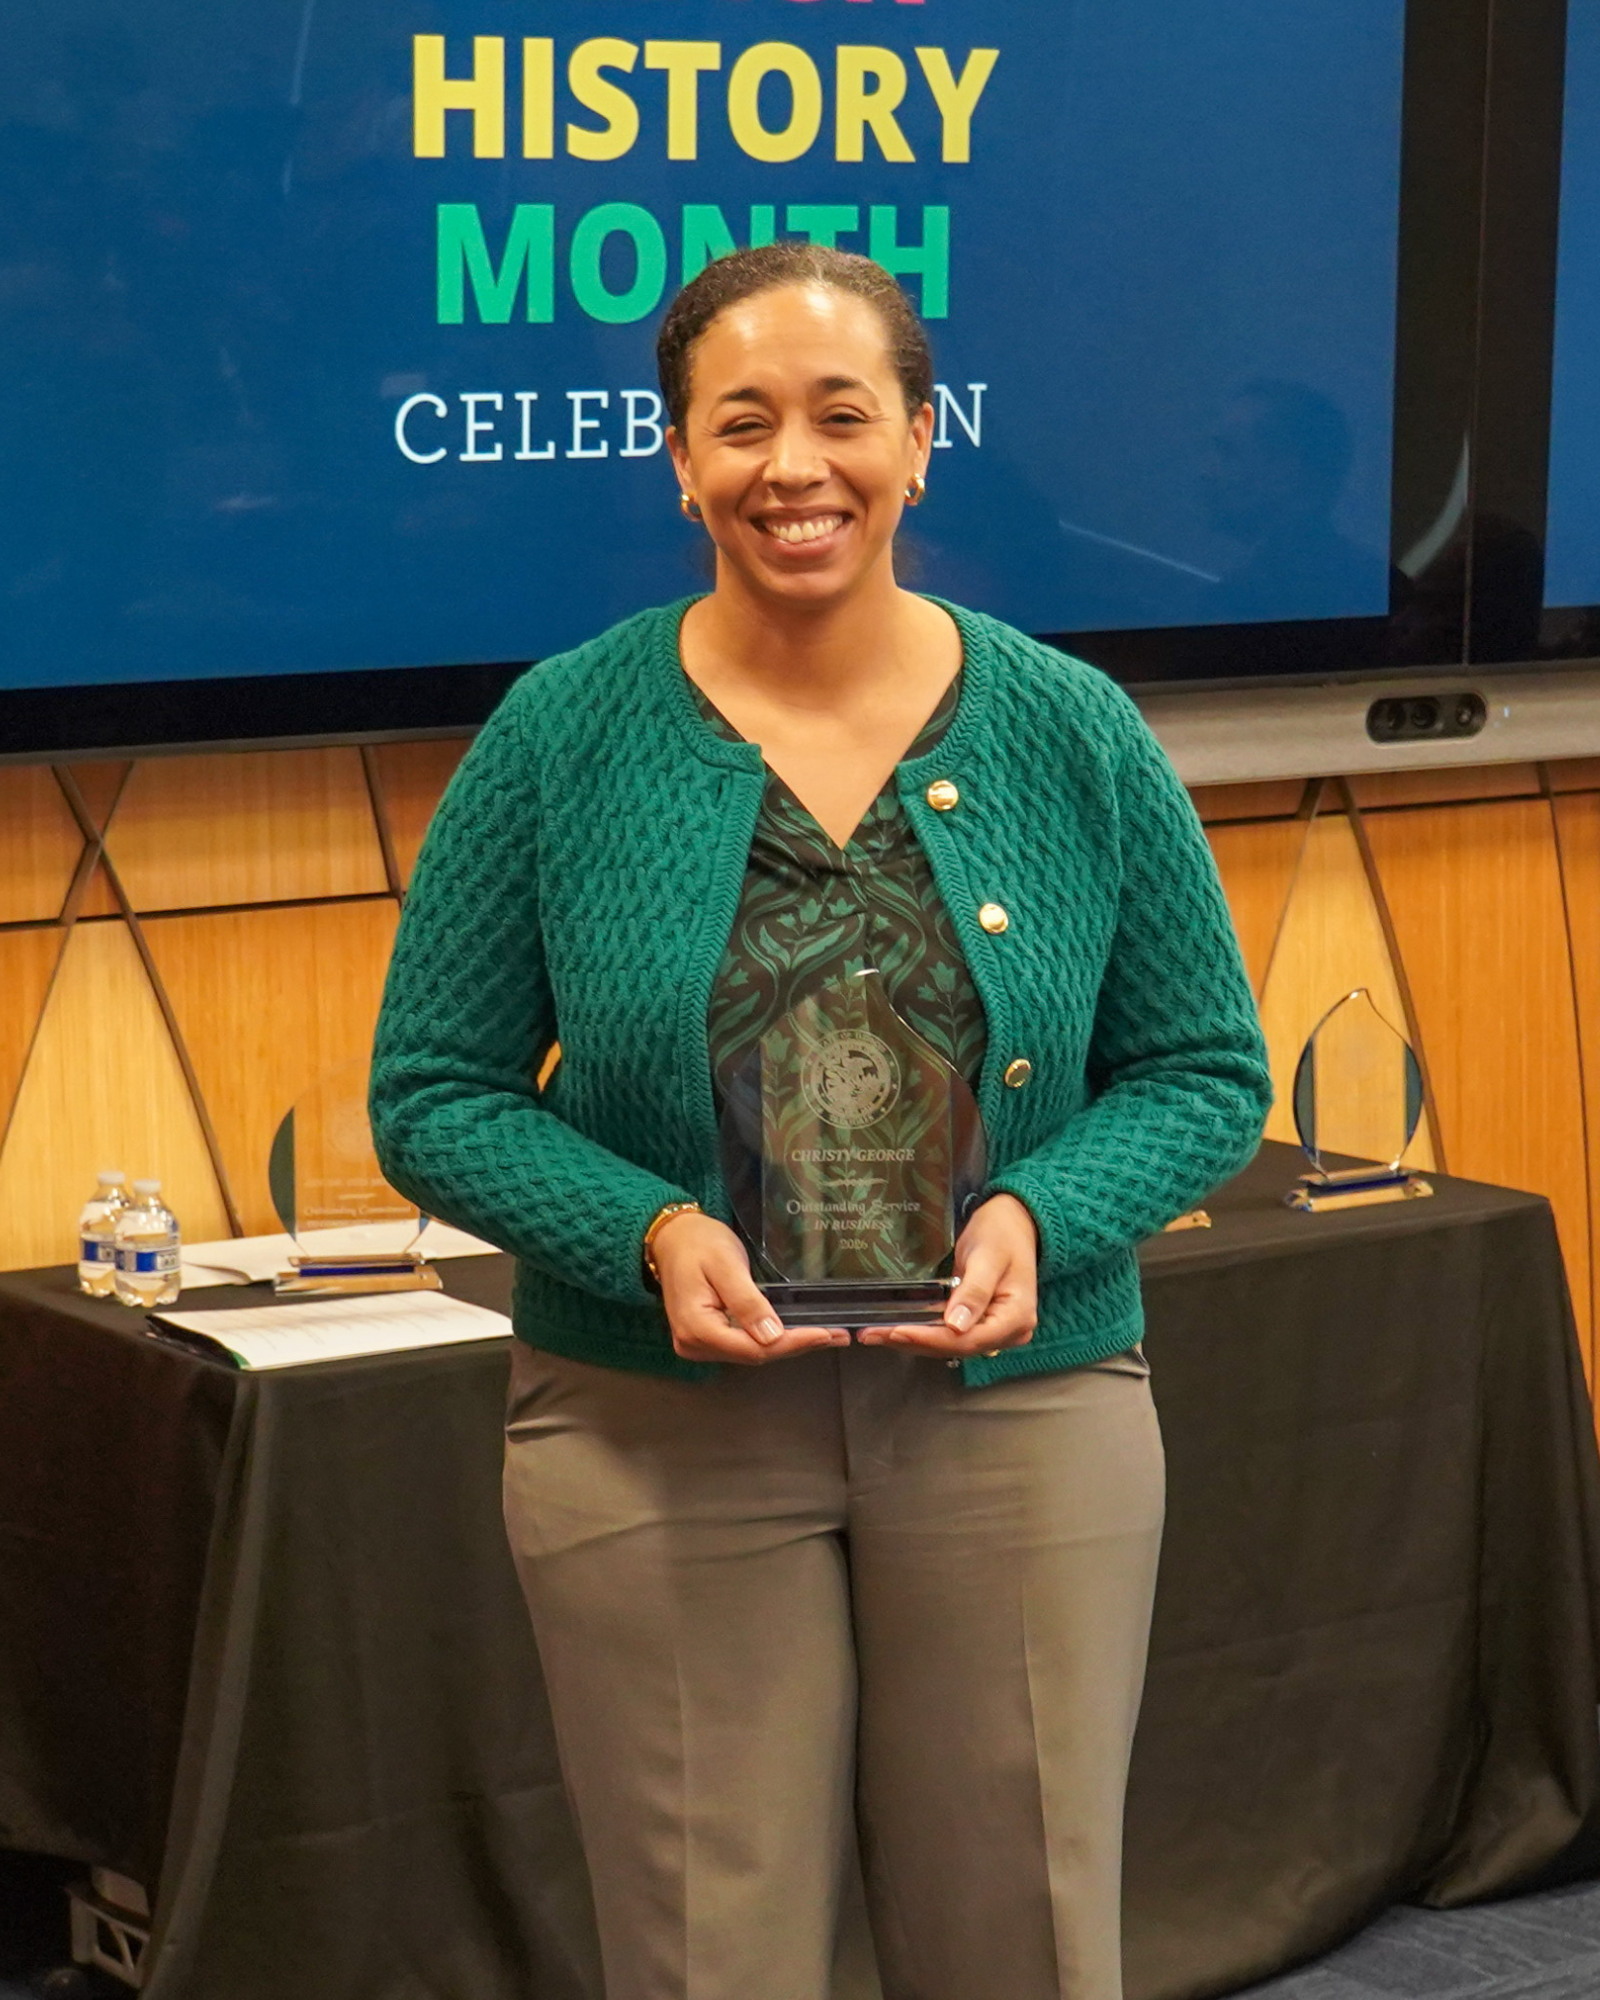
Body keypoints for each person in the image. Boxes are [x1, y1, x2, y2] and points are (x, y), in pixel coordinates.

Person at [369, 243, 1271, 2000]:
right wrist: (651, 1232)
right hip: (656, 1421)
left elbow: (1205, 1072)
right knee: (714, 1950)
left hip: (1020, 1407)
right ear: (680, 460)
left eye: (843, 415)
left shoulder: (1072, 729)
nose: (797, 465)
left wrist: (1040, 1218)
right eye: (743, 422)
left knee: (1022, 1929)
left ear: (922, 443)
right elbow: (435, 1094)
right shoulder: (561, 733)